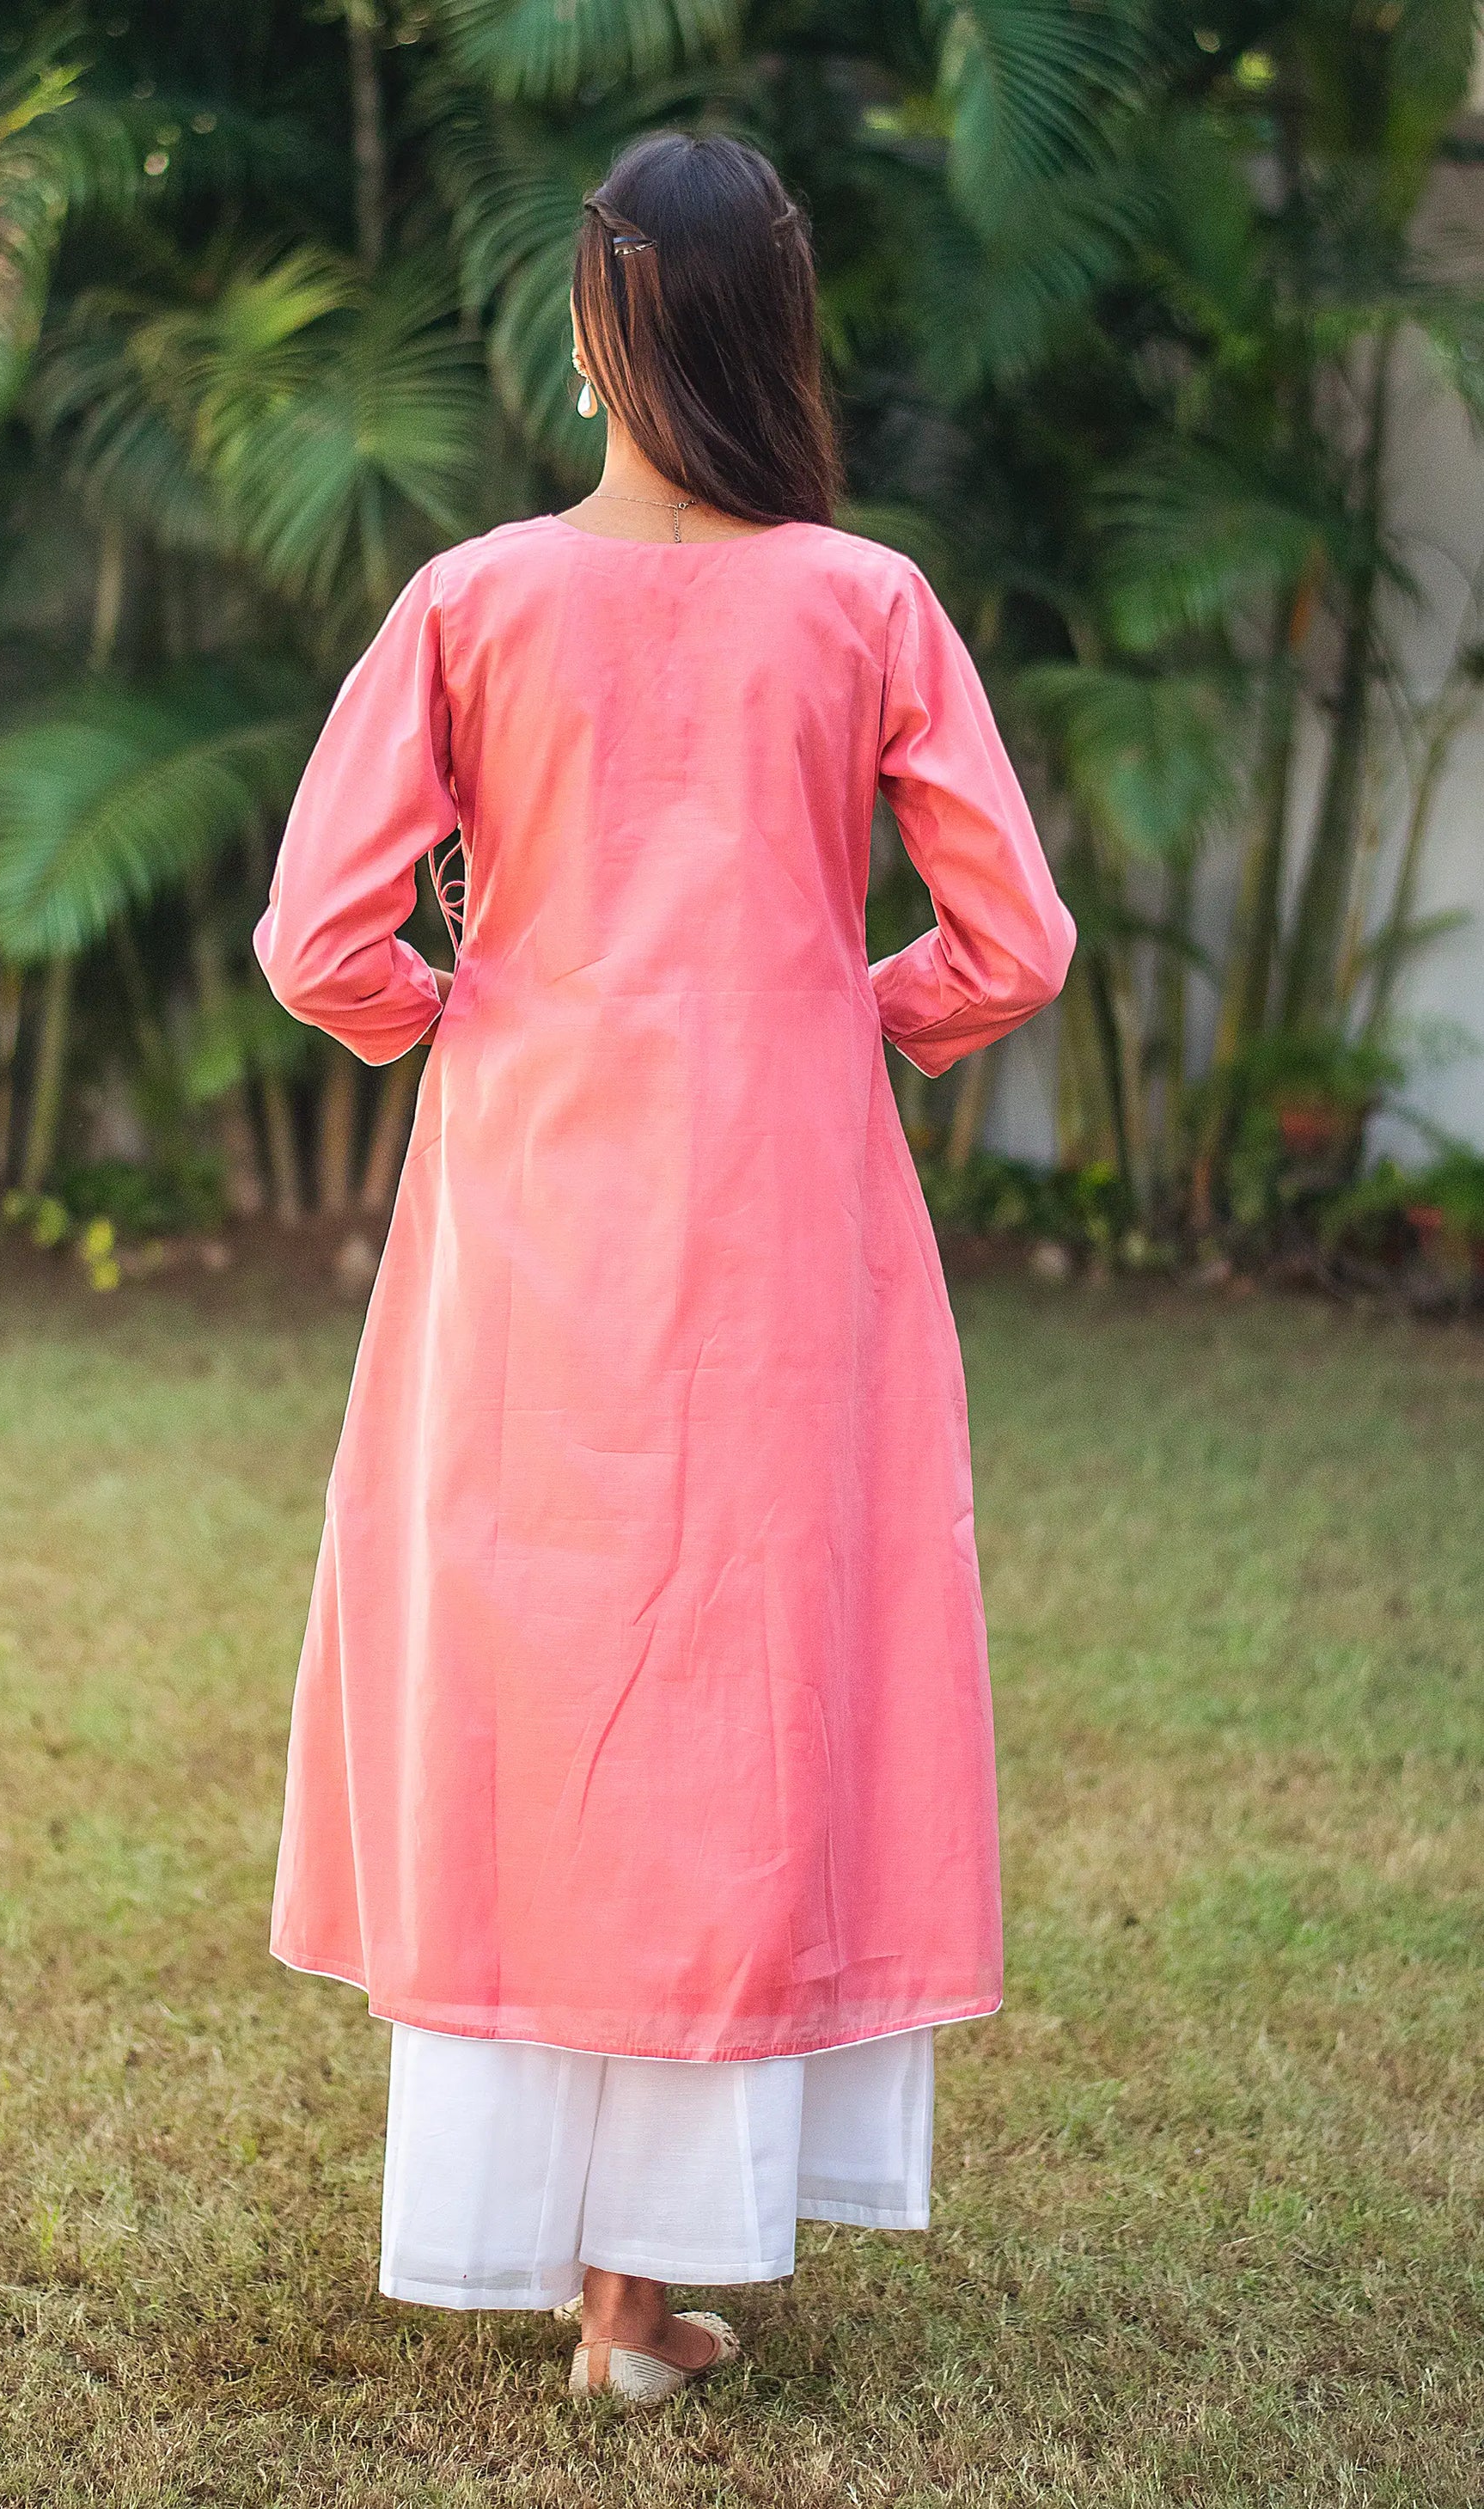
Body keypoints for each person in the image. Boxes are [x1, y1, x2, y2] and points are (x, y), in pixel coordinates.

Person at [253, 129, 1075, 2408]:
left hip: (532, 1213)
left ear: (597, 328)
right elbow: (1009, 938)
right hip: (789, 1218)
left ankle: (573, 2263)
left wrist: (472, 1022)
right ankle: (640, 2286)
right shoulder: (867, 604)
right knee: (745, 1681)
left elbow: (325, 935)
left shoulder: (471, 599)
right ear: (775, 327)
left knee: (540, 1682)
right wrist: (852, 1013)